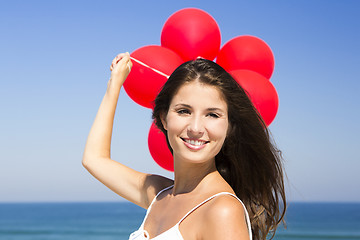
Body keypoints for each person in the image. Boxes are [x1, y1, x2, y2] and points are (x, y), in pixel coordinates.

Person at [82, 52, 286, 240]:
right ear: (163, 118)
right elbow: (94, 159)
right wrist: (114, 84)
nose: (196, 128)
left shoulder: (222, 210)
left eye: (212, 115)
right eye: (184, 111)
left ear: (229, 126)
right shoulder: (159, 194)